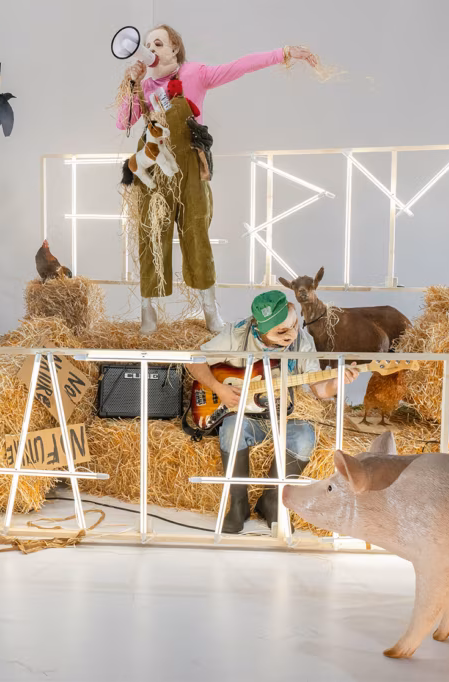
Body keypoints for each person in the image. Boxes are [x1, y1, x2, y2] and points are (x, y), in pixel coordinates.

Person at [116, 25, 319, 335]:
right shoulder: (144, 86)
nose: (151, 49)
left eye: (158, 43)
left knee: (197, 235)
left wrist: (283, 53)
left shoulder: (195, 73)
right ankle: (148, 310)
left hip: (190, 168)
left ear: (175, 48)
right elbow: (123, 122)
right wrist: (131, 82)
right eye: (147, 45)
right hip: (155, 171)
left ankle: (209, 309)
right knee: (151, 236)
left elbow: (239, 66)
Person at [186, 290, 358, 533]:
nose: (292, 334)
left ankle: (271, 501)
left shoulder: (302, 340)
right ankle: (238, 504)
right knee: (232, 430)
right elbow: (193, 359)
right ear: (260, 328)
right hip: (244, 414)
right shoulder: (237, 334)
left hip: (286, 415)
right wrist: (218, 388)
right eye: (281, 331)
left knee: (304, 437)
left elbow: (320, 389)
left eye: (294, 325)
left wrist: (338, 381)